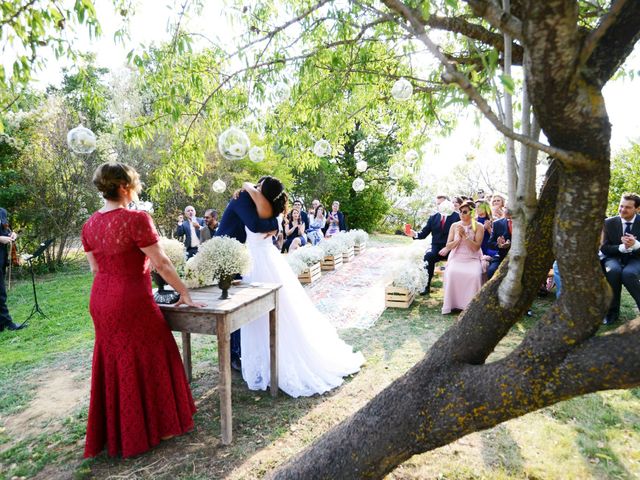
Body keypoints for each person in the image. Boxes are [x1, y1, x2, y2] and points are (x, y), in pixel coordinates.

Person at [81, 162, 204, 458]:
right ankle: (158, 425)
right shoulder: (136, 219)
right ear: (125, 187)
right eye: (134, 184)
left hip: (101, 299)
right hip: (131, 299)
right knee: (153, 351)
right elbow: (161, 263)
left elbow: (95, 268)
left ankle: (121, 430)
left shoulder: (89, 225)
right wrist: (184, 292)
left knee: (117, 359)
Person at [239, 179, 364, 397]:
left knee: (264, 315)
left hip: (259, 263)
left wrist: (247, 185)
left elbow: (248, 190)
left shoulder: (259, 203)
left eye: (259, 187)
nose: (254, 189)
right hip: (265, 259)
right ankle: (266, 365)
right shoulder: (271, 207)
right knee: (270, 314)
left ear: (262, 191)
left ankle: (273, 365)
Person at [215, 180, 280, 371]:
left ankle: (237, 350)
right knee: (230, 304)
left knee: (238, 303)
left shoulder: (256, 201)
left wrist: (275, 222)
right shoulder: (243, 197)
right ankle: (233, 355)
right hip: (225, 251)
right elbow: (253, 225)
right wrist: (274, 223)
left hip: (238, 252)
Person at [405, 197, 460, 295]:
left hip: (453, 249)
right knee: (428, 255)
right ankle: (426, 286)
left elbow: (460, 237)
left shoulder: (457, 217)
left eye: (442, 203)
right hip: (436, 248)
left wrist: (448, 248)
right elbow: (423, 234)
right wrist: (414, 234)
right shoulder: (433, 217)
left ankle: (455, 290)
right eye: (438, 204)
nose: (440, 206)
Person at [600, 193, 640, 325]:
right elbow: (604, 248)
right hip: (613, 257)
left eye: (628, 207)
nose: (623, 210)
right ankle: (612, 313)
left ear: (637, 209)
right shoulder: (608, 222)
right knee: (613, 271)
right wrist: (621, 247)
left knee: (629, 274)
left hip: (636, 258)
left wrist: (636, 245)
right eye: (621, 206)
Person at [439, 201, 484, 314]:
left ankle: (470, 306)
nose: (461, 214)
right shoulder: (454, 225)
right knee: (452, 272)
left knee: (475, 275)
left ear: (472, 213)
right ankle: (453, 304)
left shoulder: (479, 227)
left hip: (472, 258)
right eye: (460, 211)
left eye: (465, 212)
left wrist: (465, 236)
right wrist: (458, 239)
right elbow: (448, 245)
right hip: (457, 257)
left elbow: (476, 248)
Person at [0, 208, 25, 332]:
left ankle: (4, 323)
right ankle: (7, 323)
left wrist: (12, 234)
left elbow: (5, 230)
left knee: (1, 292)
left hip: (2, 257)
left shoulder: (2, 211)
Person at [486, 208, 513, 279]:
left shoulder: (526, 223)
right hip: (502, 256)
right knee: (491, 271)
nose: (507, 209)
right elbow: (490, 243)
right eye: (506, 207)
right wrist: (499, 245)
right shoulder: (497, 223)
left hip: (522, 258)